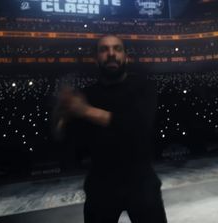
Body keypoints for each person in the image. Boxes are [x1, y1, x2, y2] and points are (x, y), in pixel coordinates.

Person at [53, 35, 168, 223]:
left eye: (117, 49)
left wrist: (85, 111)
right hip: (101, 185)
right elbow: (65, 139)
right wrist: (60, 113)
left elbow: (138, 125)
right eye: (104, 49)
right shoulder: (86, 94)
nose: (111, 54)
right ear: (96, 58)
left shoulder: (143, 86)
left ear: (126, 56)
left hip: (142, 183)